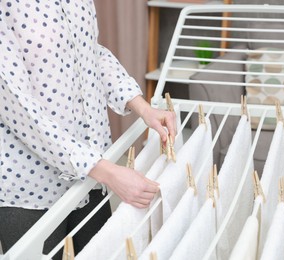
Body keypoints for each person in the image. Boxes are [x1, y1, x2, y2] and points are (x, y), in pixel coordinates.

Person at [0, 0, 176, 257]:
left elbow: (91, 54)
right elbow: (18, 106)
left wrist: (143, 108)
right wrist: (109, 172)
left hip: (90, 175)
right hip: (31, 187)